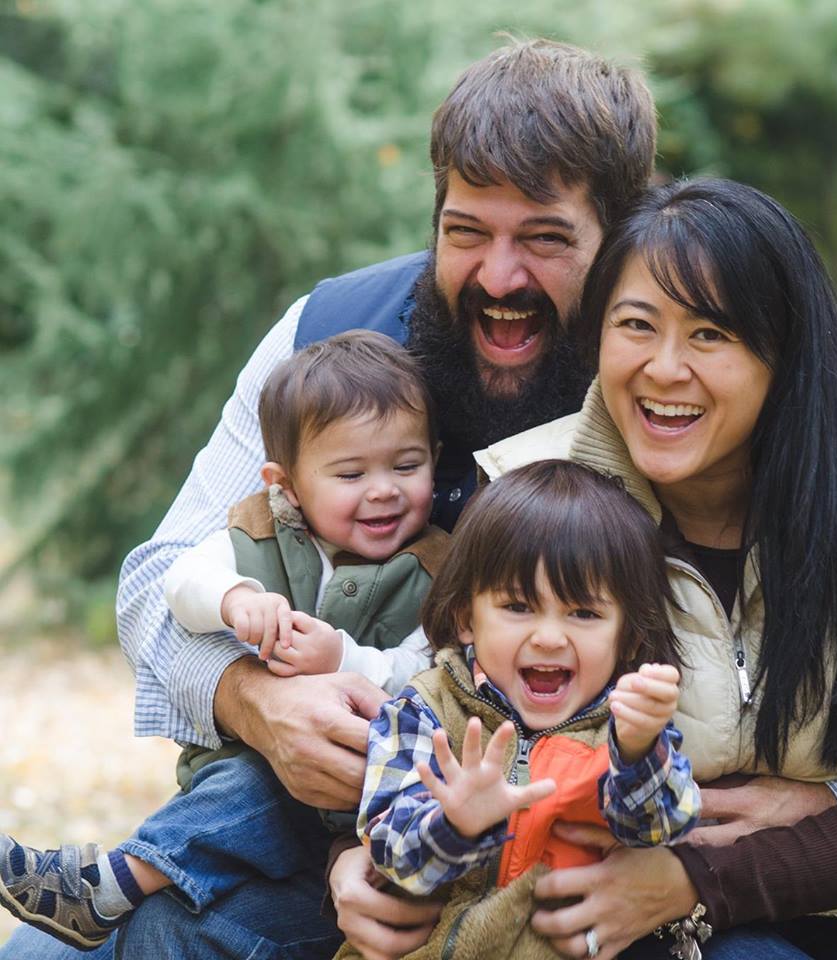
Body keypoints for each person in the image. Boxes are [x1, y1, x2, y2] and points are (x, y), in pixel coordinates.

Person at [0, 37, 660, 960]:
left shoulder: (663, 377)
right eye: (466, 231)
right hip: (293, 845)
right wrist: (250, 701)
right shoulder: (326, 333)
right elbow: (157, 581)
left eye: (545, 239)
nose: (500, 279)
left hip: (551, 879)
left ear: (620, 237)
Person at [473, 177, 837, 958]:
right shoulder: (529, 501)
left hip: (834, 903)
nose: (665, 369)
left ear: (785, 354)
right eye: (637, 324)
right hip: (597, 911)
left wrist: (714, 870)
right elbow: (443, 717)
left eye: (710, 335)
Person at [0, 331, 451, 951]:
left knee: (259, 799)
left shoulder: (439, 569)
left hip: (367, 800)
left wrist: (345, 661)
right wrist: (235, 599)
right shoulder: (256, 531)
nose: (383, 489)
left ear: (435, 456)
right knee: (249, 784)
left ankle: (110, 887)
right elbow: (179, 580)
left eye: (407, 466)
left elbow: (429, 671)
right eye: (350, 473)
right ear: (286, 484)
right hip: (251, 779)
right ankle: (111, 890)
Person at [337, 460, 700, 959]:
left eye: (584, 613)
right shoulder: (424, 710)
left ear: (629, 635)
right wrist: (456, 822)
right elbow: (390, 852)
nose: (549, 637)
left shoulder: (628, 727)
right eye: (518, 607)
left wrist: (638, 751)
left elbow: (661, 829)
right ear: (466, 618)